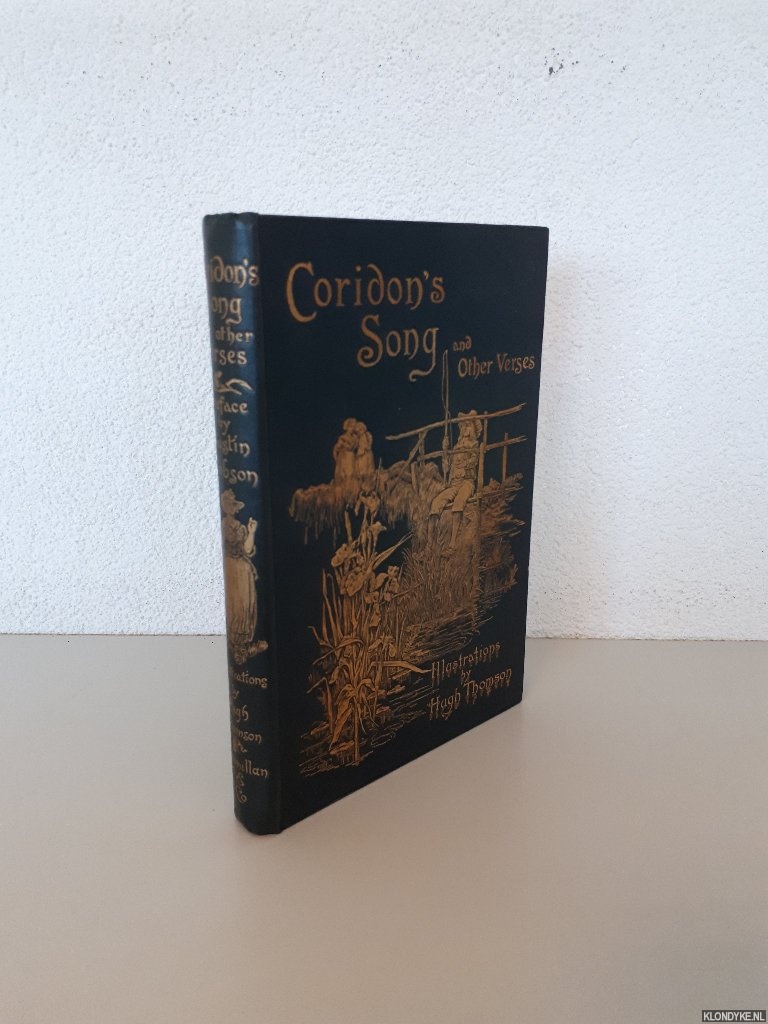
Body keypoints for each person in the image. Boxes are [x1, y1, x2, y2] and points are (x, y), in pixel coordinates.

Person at [220, 489, 266, 664]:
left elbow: (247, 549)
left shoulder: (240, 527)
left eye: (233, 505)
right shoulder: (225, 525)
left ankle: (244, 645)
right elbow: (231, 543)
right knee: (236, 604)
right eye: (228, 505)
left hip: (243, 568)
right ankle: (238, 647)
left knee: (246, 603)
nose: (231, 508)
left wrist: (251, 532)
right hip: (233, 567)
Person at [427, 411, 482, 549]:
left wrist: (464, 460)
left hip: (467, 483)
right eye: (463, 425)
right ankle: (430, 544)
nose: (465, 428)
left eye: (468, 425)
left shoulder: (474, 445)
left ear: (473, 429)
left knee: (459, 502)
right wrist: (446, 451)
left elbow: (473, 462)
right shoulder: (456, 448)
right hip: (454, 484)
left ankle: (452, 543)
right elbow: (447, 467)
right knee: (435, 503)